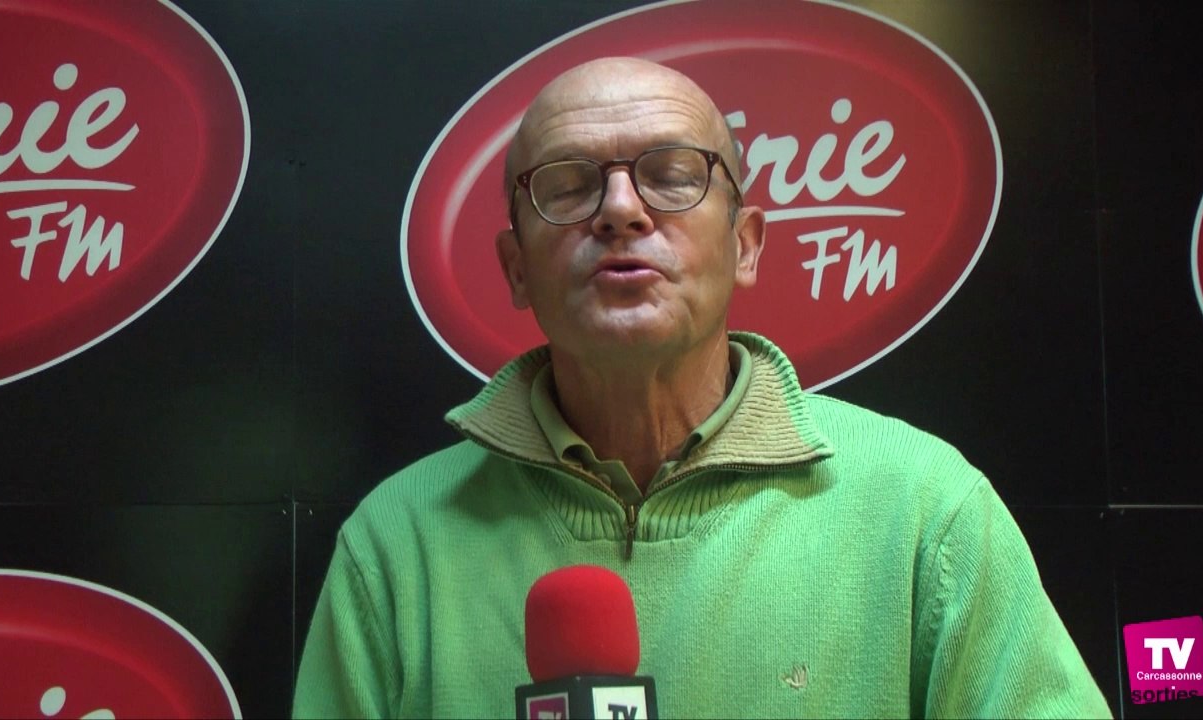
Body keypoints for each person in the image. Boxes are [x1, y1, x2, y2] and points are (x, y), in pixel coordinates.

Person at [293, 57, 1112, 718]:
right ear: (515, 269)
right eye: (569, 184)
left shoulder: (925, 508)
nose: (619, 210)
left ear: (747, 245)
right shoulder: (395, 546)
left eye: (673, 173)